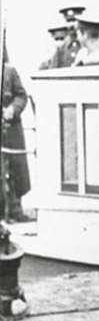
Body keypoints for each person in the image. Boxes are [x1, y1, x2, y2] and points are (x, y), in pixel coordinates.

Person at [1, 46, 32, 223]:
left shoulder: (10, 72)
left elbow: (22, 95)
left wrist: (13, 109)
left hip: (11, 130)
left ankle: (15, 209)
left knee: (15, 169)